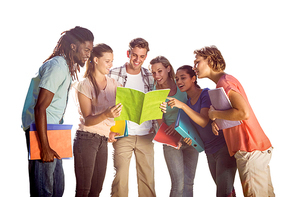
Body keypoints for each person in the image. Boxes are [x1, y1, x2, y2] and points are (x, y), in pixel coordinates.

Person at [21, 26, 94, 196]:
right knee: (44, 190)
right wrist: (44, 147)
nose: (88, 55)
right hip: (42, 132)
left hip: (54, 131)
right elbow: (40, 108)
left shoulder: (66, 67)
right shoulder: (58, 66)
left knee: (57, 189)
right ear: (73, 46)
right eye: (86, 49)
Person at [193, 46, 275, 197]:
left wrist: (214, 114)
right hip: (252, 149)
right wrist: (217, 121)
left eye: (197, 62)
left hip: (249, 150)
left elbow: (243, 113)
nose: (194, 67)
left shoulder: (225, 83)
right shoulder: (223, 83)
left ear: (210, 60)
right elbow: (234, 115)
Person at [167, 65, 237, 197]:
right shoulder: (187, 103)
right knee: (226, 190)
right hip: (209, 151)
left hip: (223, 149)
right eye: (177, 79)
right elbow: (196, 130)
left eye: (183, 78)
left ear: (193, 78)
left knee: (223, 193)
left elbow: (204, 121)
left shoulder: (205, 94)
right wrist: (189, 138)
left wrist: (181, 105)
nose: (179, 82)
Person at [108, 38, 157, 197]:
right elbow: (103, 102)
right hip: (123, 134)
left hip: (146, 134)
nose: (137, 60)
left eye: (141, 56)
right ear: (128, 53)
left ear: (146, 56)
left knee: (147, 179)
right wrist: (109, 129)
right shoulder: (113, 74)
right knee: (120, 177)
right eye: (134, 55)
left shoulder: (150, 76)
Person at [72, 43, 122, 196]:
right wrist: (106, 115)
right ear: (95, 60)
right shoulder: (85, 85)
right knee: (84, 190)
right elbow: (87, 120)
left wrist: (112, 131)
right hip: (86, 139)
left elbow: (120, 113)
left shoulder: (115, 84)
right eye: (107, 61)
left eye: (112, 61)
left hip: (103, 140)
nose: (111, 65)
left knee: (96, 190)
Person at [150, 56, 198, 197]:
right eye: (153, 73)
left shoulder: (181, 84)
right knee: (178, 184)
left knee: (189, 183)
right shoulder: (156, 92)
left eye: (160, 71)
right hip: (171, 140)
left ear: (168, 68)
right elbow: (160, 122)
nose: (157, 76)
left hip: (189, 136)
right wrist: (172, 137)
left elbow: (192, 107)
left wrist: (179, 127)